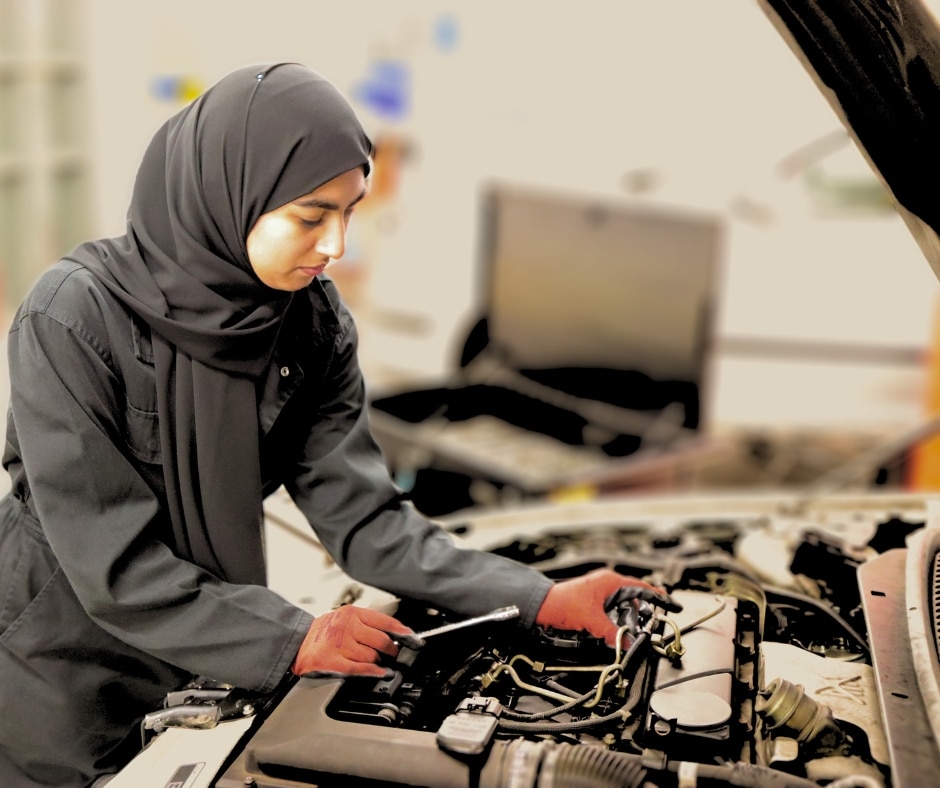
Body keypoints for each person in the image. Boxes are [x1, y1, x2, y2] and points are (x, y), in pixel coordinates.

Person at [0, 62, 671, 787]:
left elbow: (367, 521)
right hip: (62, 652)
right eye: (311, 217)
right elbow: (115, 566)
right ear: (227, 194)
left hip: (213, 645)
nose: (336, 247)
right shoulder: (70, 317)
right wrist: (296, 637)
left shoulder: (311, 325)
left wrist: (542, 595)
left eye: (350, 212)